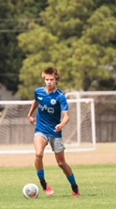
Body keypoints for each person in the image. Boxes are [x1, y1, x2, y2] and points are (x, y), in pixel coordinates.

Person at [27, 66, 81, 197]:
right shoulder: (38, 92)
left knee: (61, 163)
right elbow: (36, 102)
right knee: (38, 154)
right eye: (46, 79)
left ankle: (75, 188)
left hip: (55, 132)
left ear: (56, 80)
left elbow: (67, 116)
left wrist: (61, 124)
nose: (48, 82)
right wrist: (30, 115)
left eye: (51, 79)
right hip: (41, 129)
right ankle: (44, 184)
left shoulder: (60, 97)